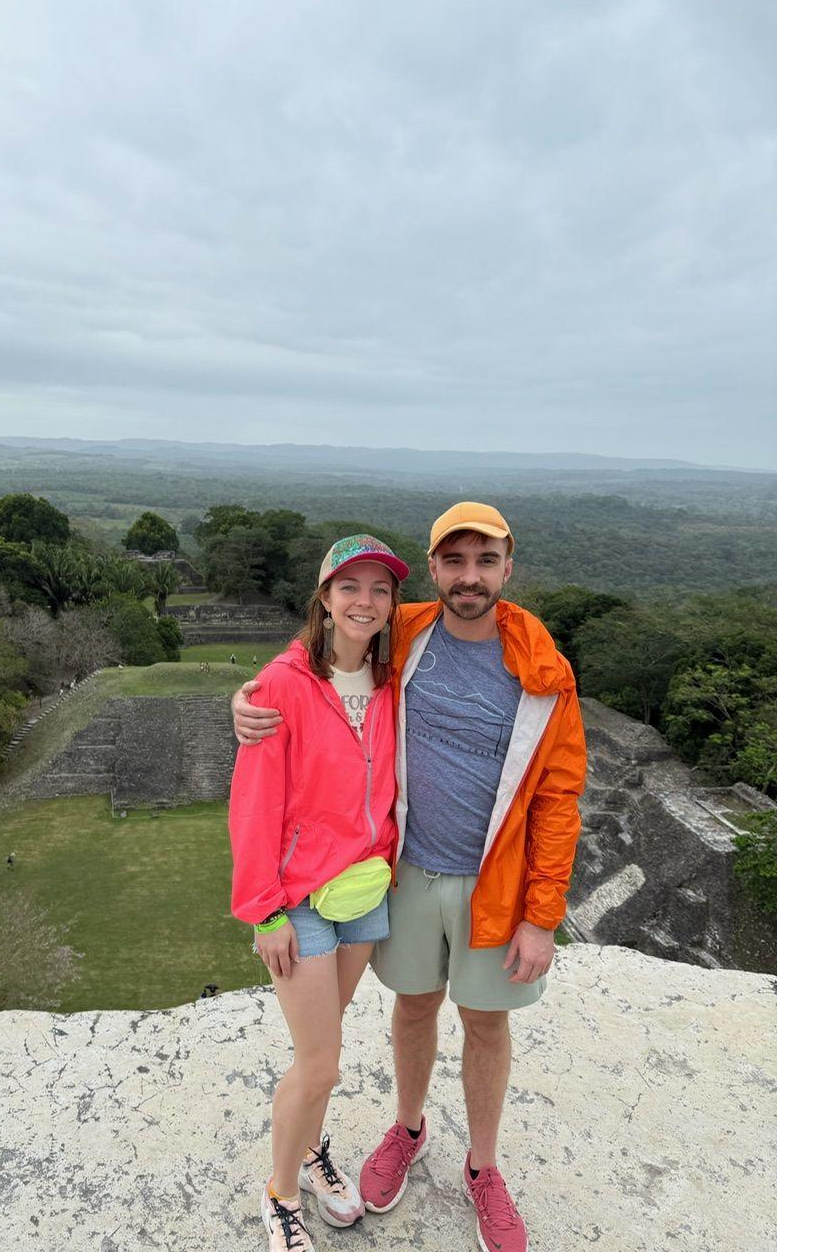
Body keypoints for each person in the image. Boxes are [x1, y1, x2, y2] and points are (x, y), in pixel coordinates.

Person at [234, 503, 586, 1252]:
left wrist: (541, 914)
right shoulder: (407, 637)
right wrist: (245, 702)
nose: (469, 577)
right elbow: (311, 664)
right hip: (406, 874)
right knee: (414, 1010)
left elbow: (559, 796)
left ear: (507, 569)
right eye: (454, 562)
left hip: (492, 880)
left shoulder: (540, 665)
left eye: (484, 562)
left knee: (487, 1022)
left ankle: (483, 1169)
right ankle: (406, 1128)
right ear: (432, 571)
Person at [230, 534, 411, 1252]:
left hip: (364, 891)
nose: (365, 601)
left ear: (395, 603)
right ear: (324, 600)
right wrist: (264, 910)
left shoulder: (394, 678)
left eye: (380, 589)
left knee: (321, 1046)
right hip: (300, 899)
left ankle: (307, 1150)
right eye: (350, 587)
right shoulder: (283, 684)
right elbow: (253, 803)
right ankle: (278, 1194)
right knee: (322, 1062)